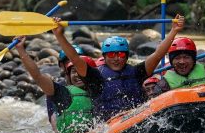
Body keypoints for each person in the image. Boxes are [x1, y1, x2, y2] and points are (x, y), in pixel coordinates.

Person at [52, 14, 185, 120]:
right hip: (109, 128)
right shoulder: (95, 77)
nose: (116, 59)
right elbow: (75, 59)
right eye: (111, 54)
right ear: (104, 56)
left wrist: (173, 31)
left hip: (137, 120)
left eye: (121, 54)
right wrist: (59, 35)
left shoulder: (136, 72)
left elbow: (157, 55)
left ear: (126, 56)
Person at [14, 37, 97, 133]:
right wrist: (21, 49)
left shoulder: (98, 87)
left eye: (80, 69)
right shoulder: (62, 93)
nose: (77, 75)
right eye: (73, 71)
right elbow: (38, 76)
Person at [46, 44, 96, 131]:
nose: (73, 62)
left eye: (77, 59)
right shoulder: (57, 89)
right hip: (67, 130)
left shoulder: (93, 82)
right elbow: (53, 116)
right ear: (61, 65)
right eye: (69, 59)